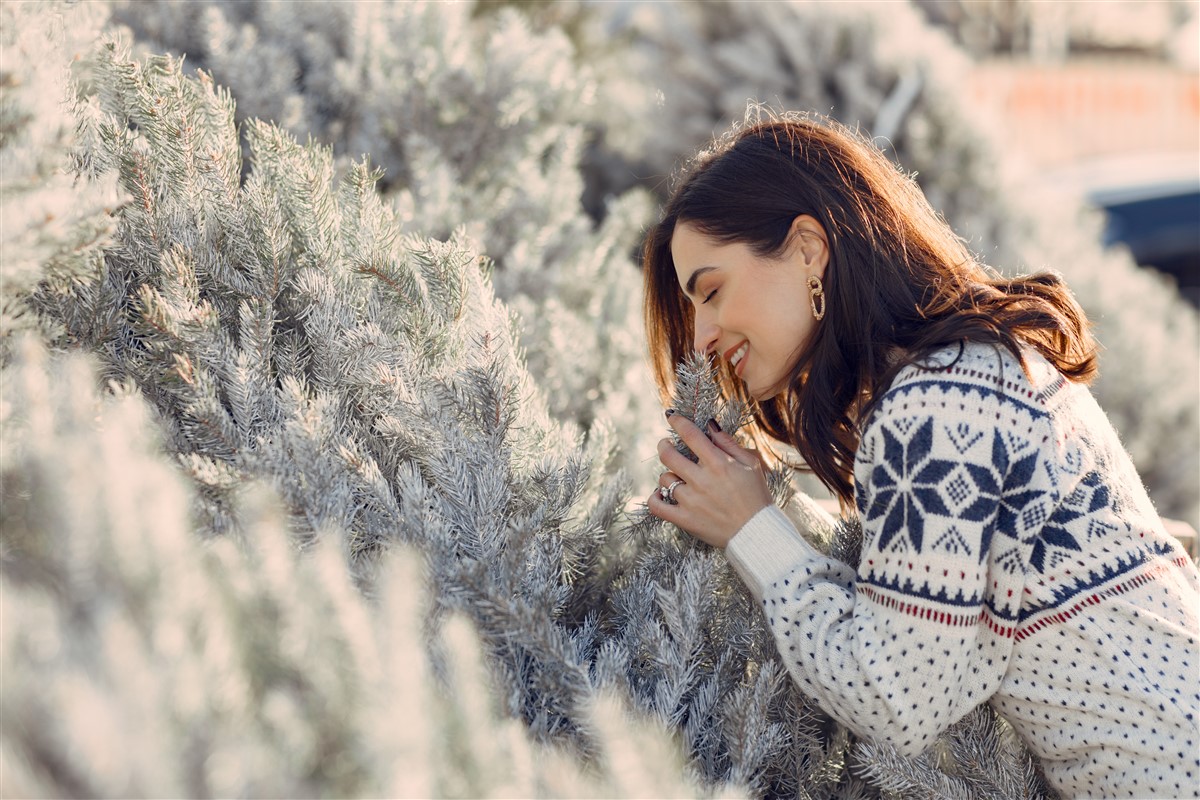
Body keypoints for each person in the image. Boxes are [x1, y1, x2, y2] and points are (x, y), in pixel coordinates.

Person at [643, 113, 1199, 799]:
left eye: (712, 290)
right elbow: (942, 634)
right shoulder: (968, 372)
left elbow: (898, 698)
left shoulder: (934, 408)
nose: (700, 337)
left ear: (808, 249)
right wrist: (772, 508)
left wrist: (752, 532)